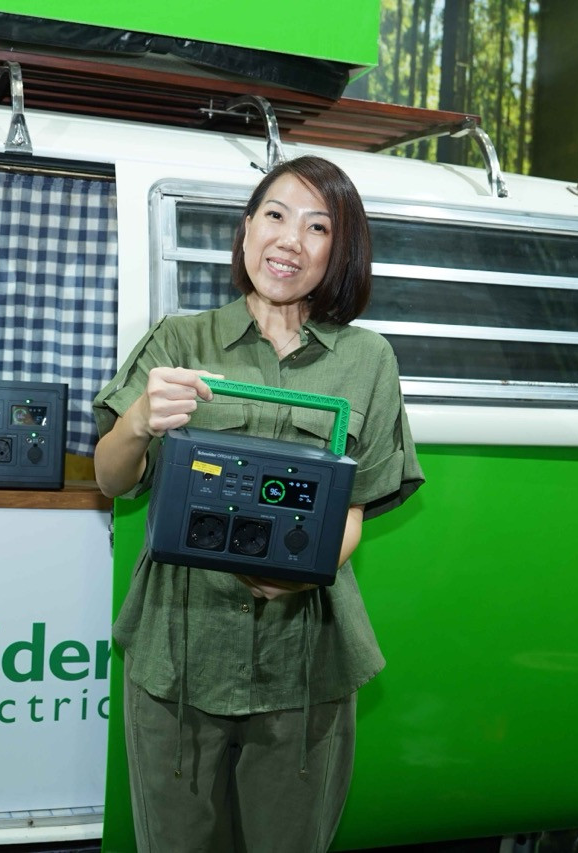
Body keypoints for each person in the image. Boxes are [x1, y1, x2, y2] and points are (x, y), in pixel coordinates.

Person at [92, 155, 424, 852]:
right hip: (179, 655)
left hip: (306, 666)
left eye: (317, 226)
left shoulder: (367, 360)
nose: (289, 240)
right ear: (246, 230)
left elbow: (354, 508)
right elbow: (111, 478)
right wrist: (139, 420)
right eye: (275, 215)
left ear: (340, 249)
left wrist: (298, 571)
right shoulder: (179, 341)